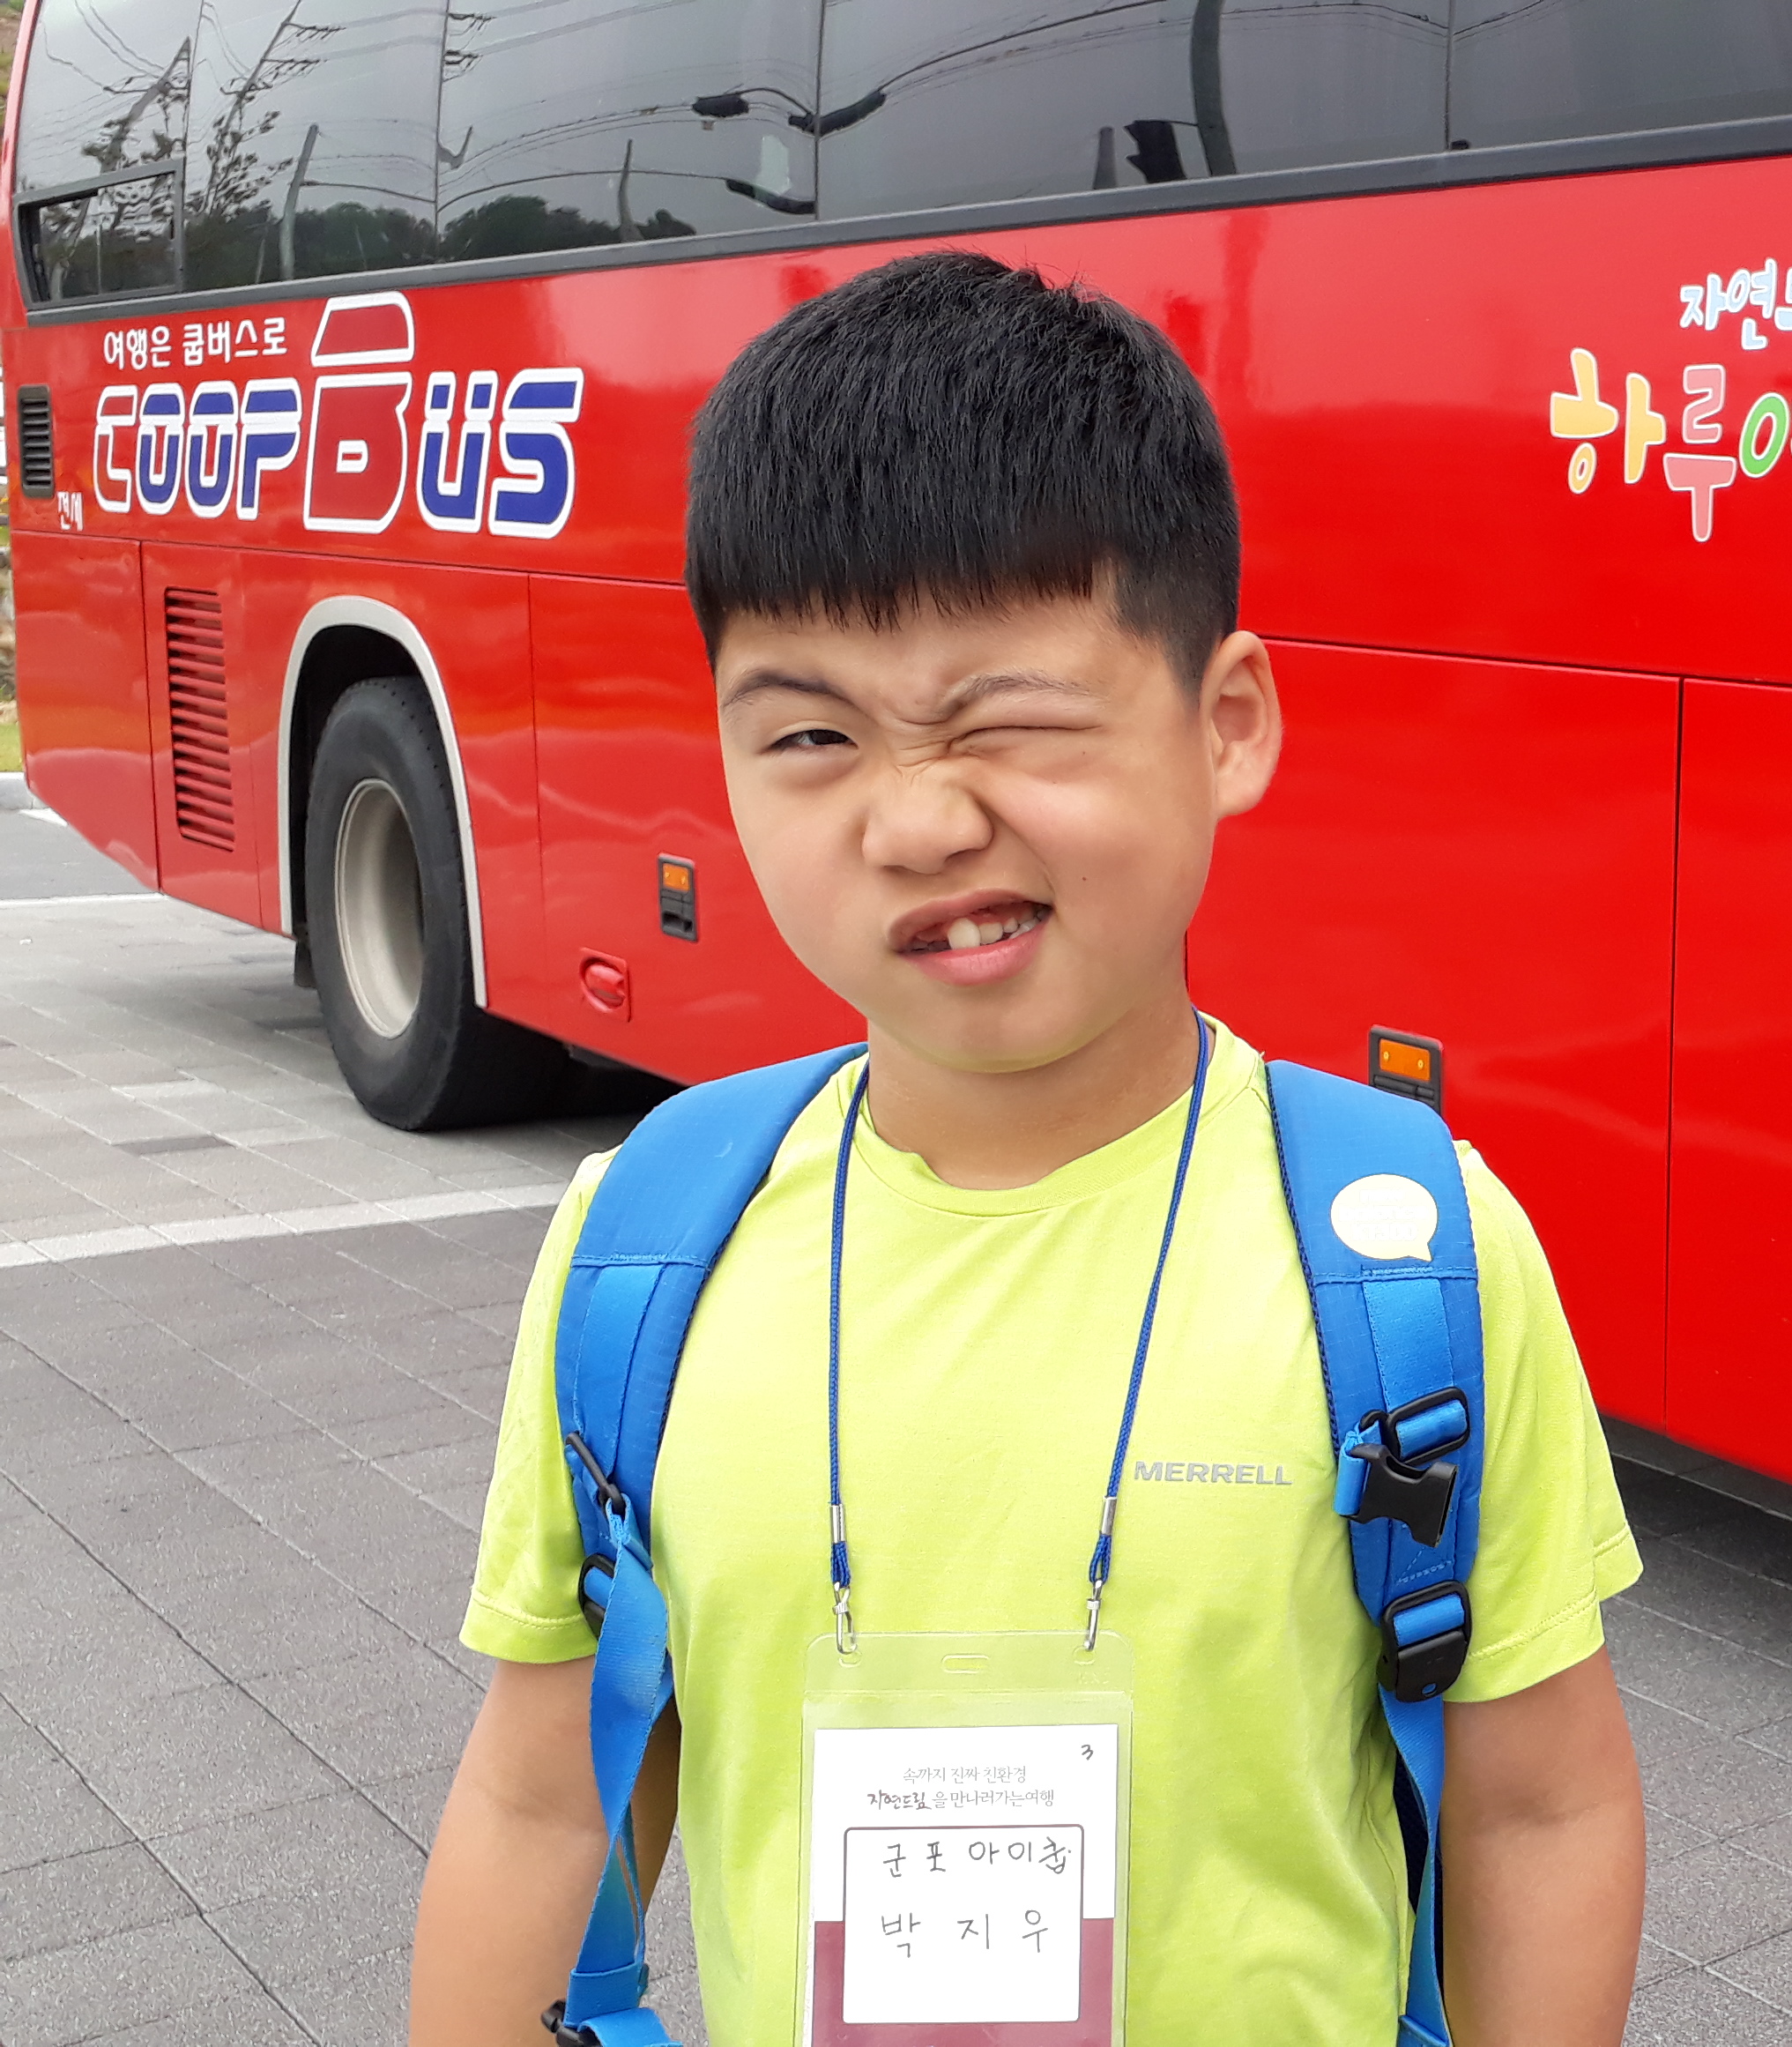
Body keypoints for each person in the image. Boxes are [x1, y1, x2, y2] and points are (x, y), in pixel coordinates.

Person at [406, 250, 1646, 2045]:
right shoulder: (647, 1246)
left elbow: (1542, 1808)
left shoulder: (1409, 1252)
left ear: (1227, 723)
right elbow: (543, 1800)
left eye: (1009, 719)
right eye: (812, 733)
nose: (917, 819)